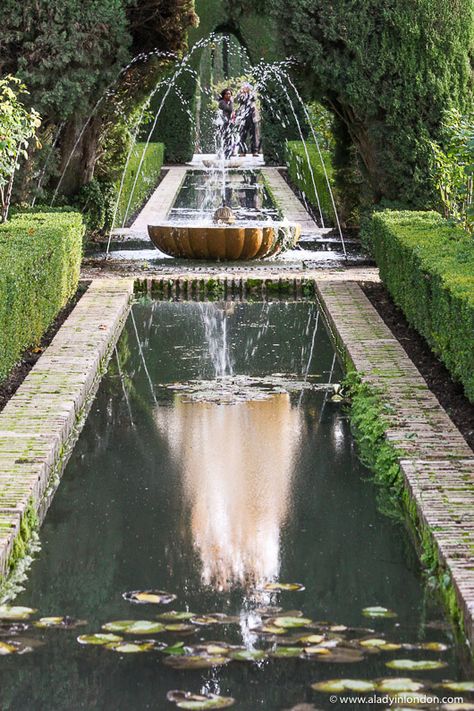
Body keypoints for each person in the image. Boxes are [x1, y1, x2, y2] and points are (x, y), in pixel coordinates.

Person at [236, 82, 260, 156]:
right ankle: (242, 151)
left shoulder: (251, 95)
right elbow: (239, 100)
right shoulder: (241, 95)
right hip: (243, 117)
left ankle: (255, 151)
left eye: (247, 87)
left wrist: (250, 92)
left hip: (252, 117)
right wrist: (242, 93)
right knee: (242, 134)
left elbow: (254, 98)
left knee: (253, 134)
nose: (246, 89)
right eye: (244, 87)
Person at [218, 88, 236, 159]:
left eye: (230, 94)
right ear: (224, 95)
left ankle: (228, 154)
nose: (229, 95)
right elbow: (229, 109)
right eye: (227, 94)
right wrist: (231, 102)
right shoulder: (222, 102)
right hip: (223, 123)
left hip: (228, 123)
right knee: (225, 138)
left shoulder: (228, 102)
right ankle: (224, 154)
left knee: (229, 139)